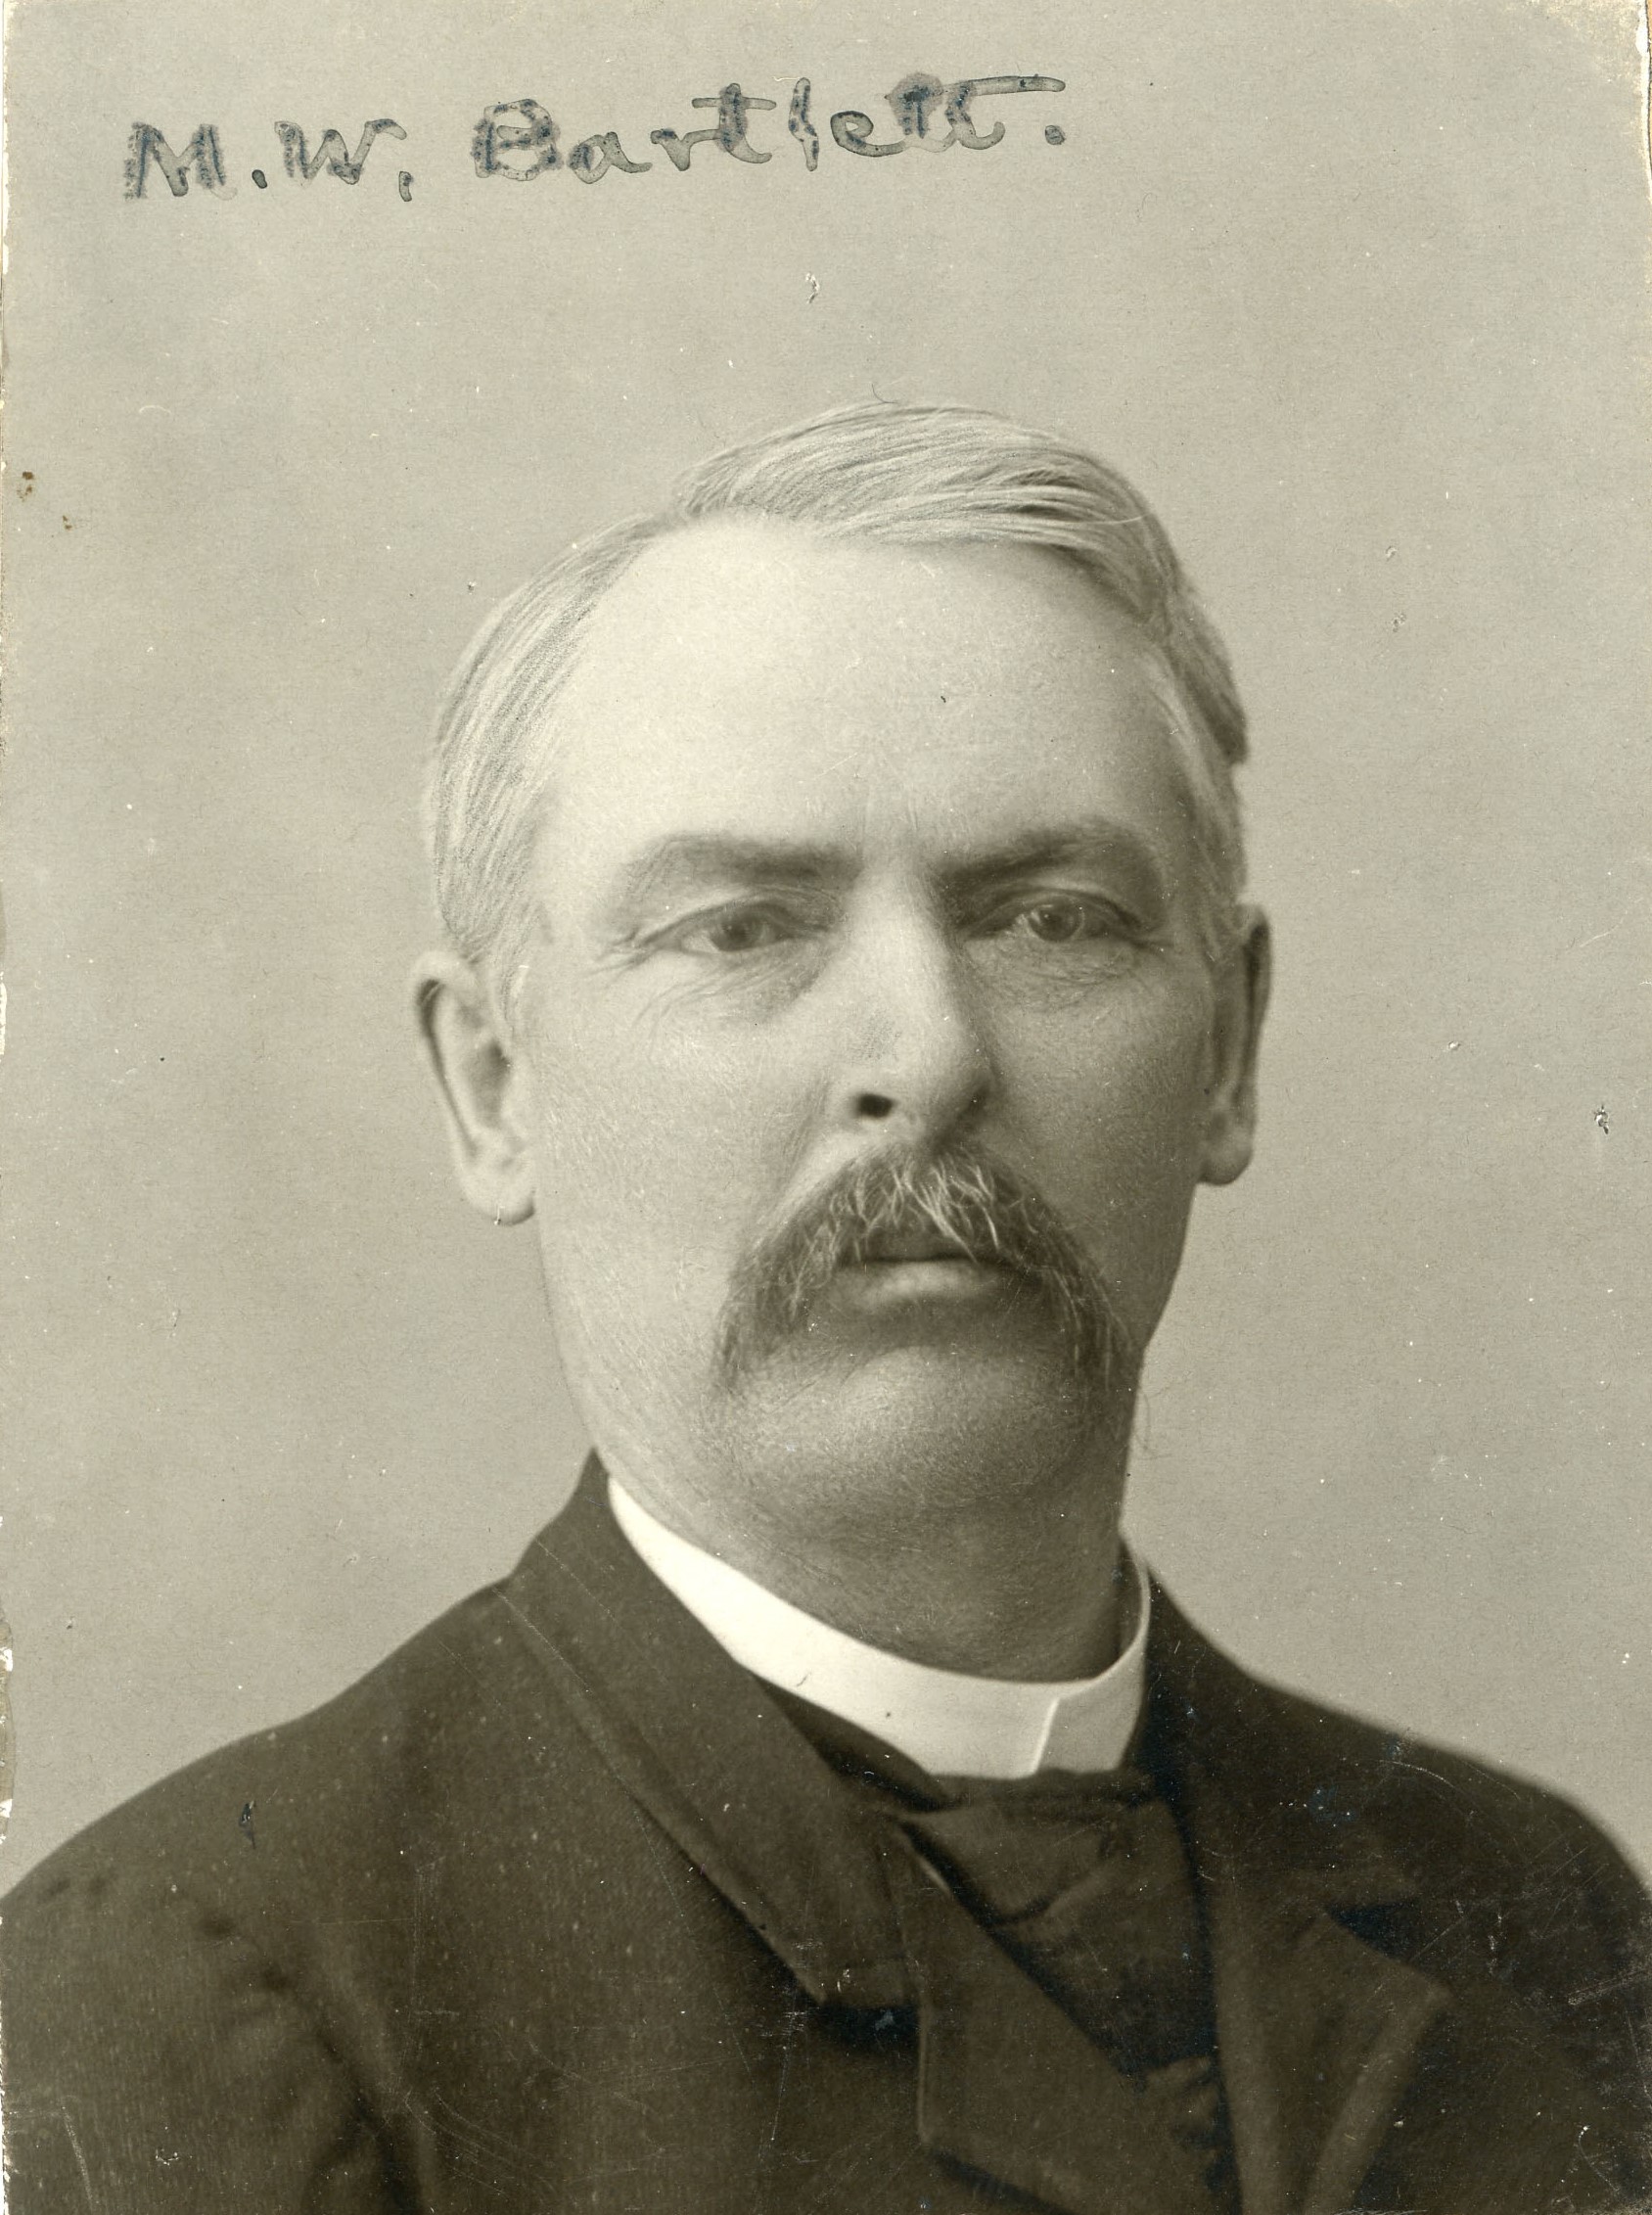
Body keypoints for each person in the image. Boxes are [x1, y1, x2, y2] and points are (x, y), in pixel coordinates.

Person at [3, 403, 1647, 2214]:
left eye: (1051, 920)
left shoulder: (1539, 1910)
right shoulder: (195, 2000)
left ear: (1232, 1049)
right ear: (493, 1086)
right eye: (740, 928)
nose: (927, 1058)